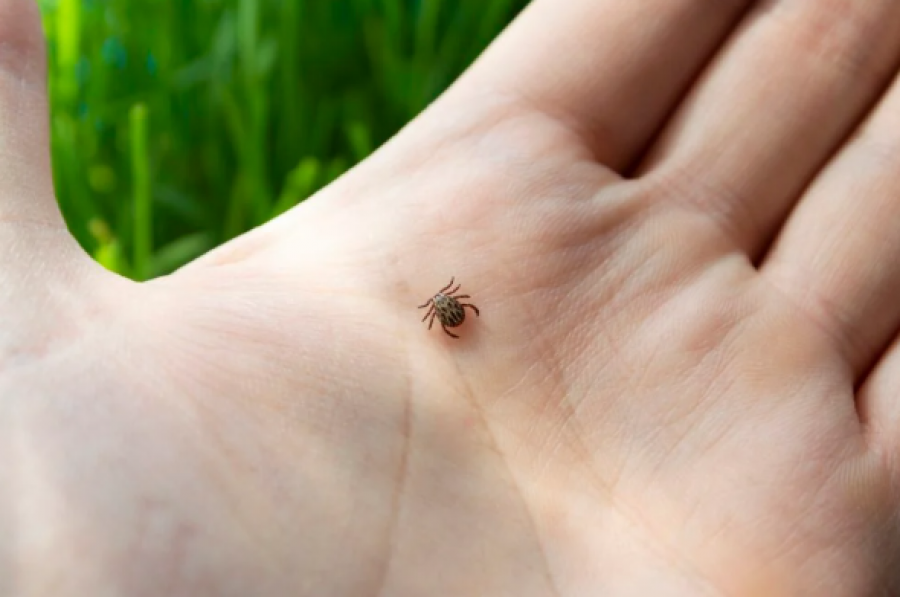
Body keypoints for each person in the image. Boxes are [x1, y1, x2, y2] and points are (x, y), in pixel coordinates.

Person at [3, 0, 900, 594]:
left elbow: (454, 311)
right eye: (444, 307)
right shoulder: (447, 311)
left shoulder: (443, 308)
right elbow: (456, 313)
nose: (445, 310)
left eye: (443, 306)